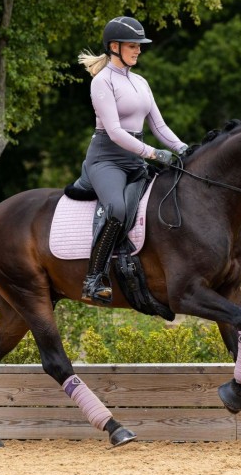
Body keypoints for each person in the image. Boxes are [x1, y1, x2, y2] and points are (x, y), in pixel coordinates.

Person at [76, 16, 188, 304]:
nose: (138, 50)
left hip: (134, 158)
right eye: (133, 45)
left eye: (140, 45)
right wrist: (152, 153)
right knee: (117, 207)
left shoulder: (140, 82)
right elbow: (114, 132)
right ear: (114, 47)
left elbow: (159, 127)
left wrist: (183, 148)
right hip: (107, 159)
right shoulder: (102, 82)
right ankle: (93, 279)